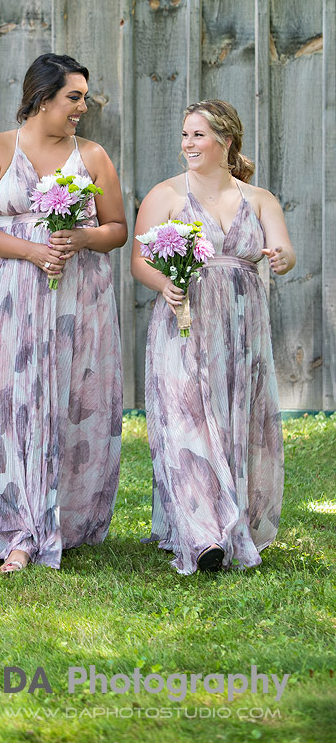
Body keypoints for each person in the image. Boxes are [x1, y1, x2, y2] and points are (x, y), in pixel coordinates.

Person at [0, 53, 126, 573]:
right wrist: (33, 251)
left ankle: (62, 517)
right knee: (7, 401)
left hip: (78, 299)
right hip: (8, 296)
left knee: (69, 401)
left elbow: (118, 229)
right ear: (42, 97)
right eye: (74, 97)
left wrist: (82, 238)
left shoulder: (92, 156)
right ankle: (13, 524)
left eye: (85, 98)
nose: (83, 107)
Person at [131, 99, 293, 575]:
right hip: (184, 323)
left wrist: (282, 258)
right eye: (185, 135)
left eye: (198, 135)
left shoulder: (259, 199)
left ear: (226, 140)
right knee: (185, 422)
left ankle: (232, 521)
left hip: (241, 330)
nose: (188, 143)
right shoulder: (165, 195)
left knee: (236, 422)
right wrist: (165, 283)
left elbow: (284, 251)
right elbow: (140, 261)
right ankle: (202, 537)